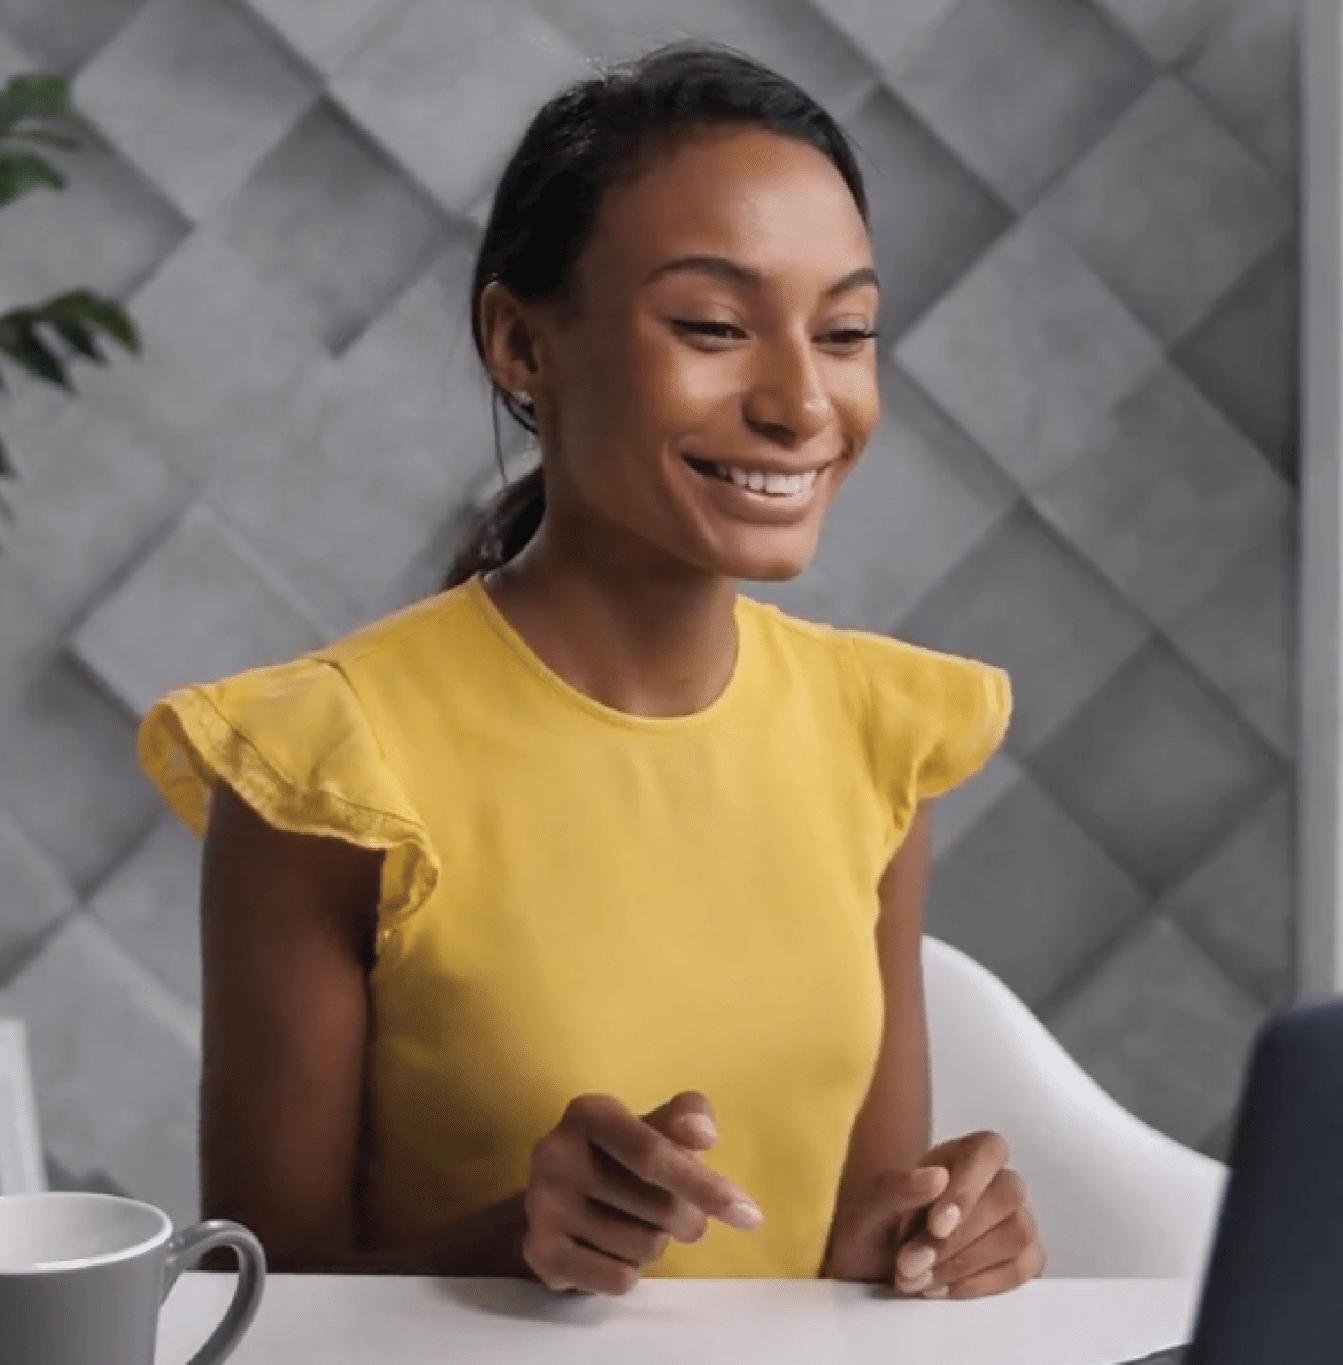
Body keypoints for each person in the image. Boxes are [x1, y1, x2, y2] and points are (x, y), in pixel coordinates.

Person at [135, 42, 1044, 1301]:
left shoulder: (876, 731)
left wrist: (930, 1241)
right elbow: (259, 1300)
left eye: (844, 332)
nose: (799, 401)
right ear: (519, 344)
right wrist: (513, 1247)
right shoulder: (329, 766)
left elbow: (845, 1262)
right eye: (714, 327)